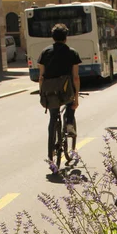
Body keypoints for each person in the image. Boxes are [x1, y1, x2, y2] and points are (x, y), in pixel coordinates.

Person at [37, 23, 81, 168]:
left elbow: (41, 77)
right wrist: (76, 97)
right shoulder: (72, 52)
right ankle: (69, 123)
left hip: (49, 92)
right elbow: (75, 78)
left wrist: (41, 93)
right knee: (70, 104)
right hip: (65, 89)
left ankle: (51, 151)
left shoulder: (44, 52)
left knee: (52, 116)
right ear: (66, 38)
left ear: (53, 37)